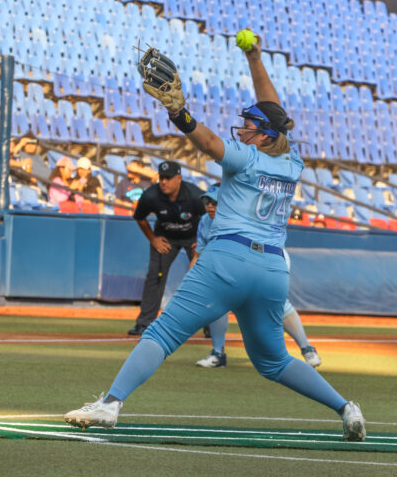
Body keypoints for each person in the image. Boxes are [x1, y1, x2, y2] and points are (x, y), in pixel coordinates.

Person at [65, 34, 365, 442]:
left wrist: (179, 112)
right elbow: (275, 113)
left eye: (248, 125)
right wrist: (255, 58)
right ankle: (346, 408)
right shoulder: (292, 162)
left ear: (260, 135)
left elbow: (207, 141)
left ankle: (110, 404)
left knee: (161, 333)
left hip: (228, 259)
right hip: (273, 268)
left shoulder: (246, 155)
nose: (241, 128)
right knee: (273, 361)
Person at [191, 185, 322, 368]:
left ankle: (307, 348)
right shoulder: (205, 222)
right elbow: (199, 255)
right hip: (236, 265)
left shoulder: (243, 218)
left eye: (214, 202)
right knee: (216, 301)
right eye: (206, 201)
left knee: (277, 304)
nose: (209, 206)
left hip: (269, 259)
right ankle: (218, 353)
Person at [126, 160, 206, 336]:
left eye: (168, 178)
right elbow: (140, 217)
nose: (163, 182)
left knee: (204, 279)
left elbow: (213, 215)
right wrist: (153, 239)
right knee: (155, 277)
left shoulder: (194, 195)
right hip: (165, 238)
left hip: (193, 238)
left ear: (179, 178)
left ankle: (210, 327)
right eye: (161, 177)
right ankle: (144, 323)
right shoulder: (151, 195)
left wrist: (203, 240)